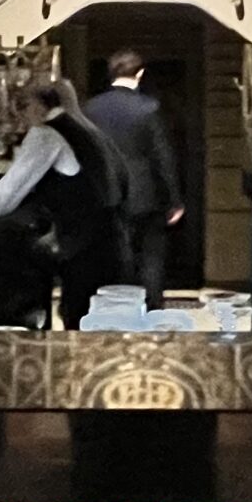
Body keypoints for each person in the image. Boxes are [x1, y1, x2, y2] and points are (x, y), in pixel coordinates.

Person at [0, 78, 129, 329]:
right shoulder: (89, 131)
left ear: (40, 106)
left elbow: (6, 196)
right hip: (112, 240)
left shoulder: (46, 135)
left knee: (80, 321)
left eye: (24, 105)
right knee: (100, 325)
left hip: (84, 248)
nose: (21, 115)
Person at [84, 49, 184, 308]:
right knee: (151, 258)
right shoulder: (149, 108)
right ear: (140, 74)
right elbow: (162, 157)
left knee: (110, 257)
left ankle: (112, 310)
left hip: (102, 193)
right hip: (144, 194)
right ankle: (151, 310)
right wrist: (174, 199)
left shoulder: (91, 108)